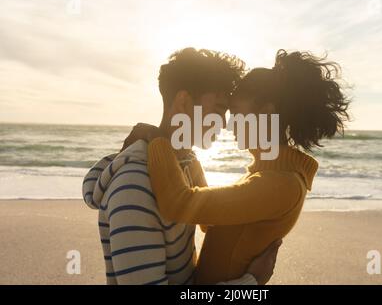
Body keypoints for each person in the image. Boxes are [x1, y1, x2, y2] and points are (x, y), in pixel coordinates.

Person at [127, 49, 350, 284]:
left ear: (266, 111)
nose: (227, 124)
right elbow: (209, 219)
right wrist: (188, 158)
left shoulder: (280, 184)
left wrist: (157, 138)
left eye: (235, 113)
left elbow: (178, 204)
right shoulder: (268, 175)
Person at [82, 48, 281, 285]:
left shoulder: (182, 165)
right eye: (218, 109)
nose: (225, 123)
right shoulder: (135, 186)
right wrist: (251, 283)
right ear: (184, 102)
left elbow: (210, 222)